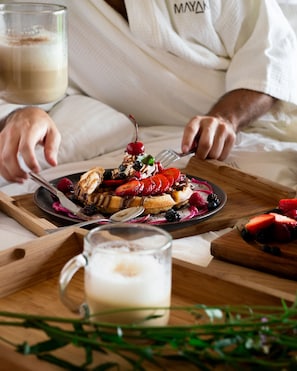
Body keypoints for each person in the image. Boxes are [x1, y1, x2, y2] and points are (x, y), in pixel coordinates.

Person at [0, 0, 297, 183]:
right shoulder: (25, 7)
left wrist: (225, 119)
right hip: (141, 141)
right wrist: (24, 111)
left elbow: (271, 56)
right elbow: (18, 89)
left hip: (250, 130)